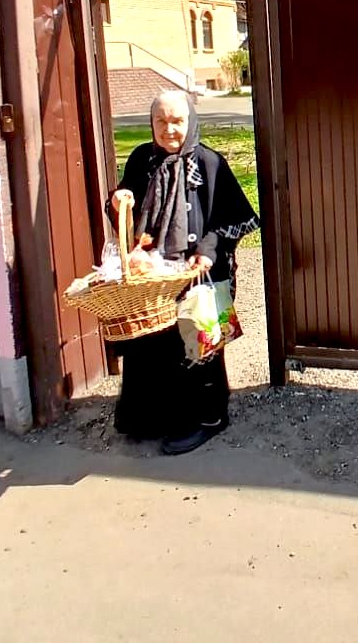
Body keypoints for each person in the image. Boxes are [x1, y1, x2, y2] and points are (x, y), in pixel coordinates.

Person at [107, 90, 258, 455]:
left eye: (177, 121)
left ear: (190, 121)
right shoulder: (142, 158)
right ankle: (152, 418)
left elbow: (234, 218)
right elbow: (126, 207)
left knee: (196, 345)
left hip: (197, 274)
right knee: (151, 345)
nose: (169, 129)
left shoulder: (209, 163)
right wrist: (118, 199)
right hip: (154, 275)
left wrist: (207, 251)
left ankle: (208, 419)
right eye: (160, 121)